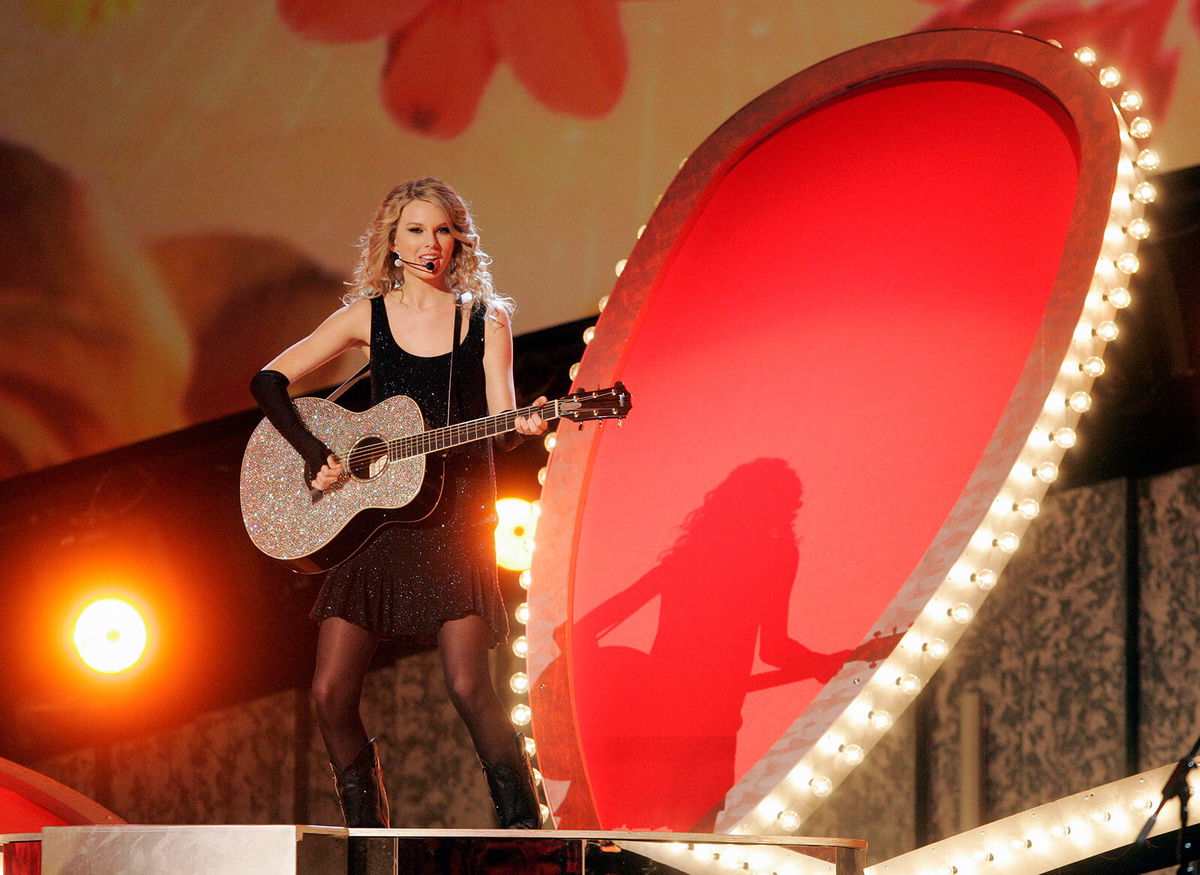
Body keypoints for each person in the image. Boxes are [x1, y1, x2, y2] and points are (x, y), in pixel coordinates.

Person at [249, 178, 547, 829]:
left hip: (458, 518)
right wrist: (311, 452)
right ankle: (369, 833)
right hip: (376, 520)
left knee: (470, 685)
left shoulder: (484, 316)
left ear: (458, 239)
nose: (429, 244)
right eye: (415, 230)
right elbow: (269, 379)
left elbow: (502, 406)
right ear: (392, 239)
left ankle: (527, 832)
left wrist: (524, 422)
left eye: (441, 230)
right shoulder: (367, 315)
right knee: (330, 692)